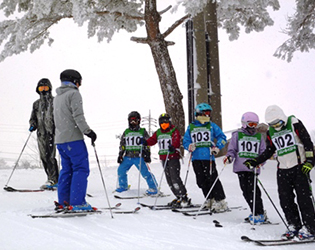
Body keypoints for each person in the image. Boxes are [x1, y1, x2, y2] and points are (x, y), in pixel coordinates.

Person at [244, 105, 315, 241]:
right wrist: (255, 161)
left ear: (282, 118)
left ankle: (310, 227)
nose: (276, 126)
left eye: (278, 123)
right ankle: (294, 225)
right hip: (283, 169)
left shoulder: (294, 123)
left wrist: (310, 161)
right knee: (285, 200)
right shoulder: (271, 131)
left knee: (304, 199)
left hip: (299, 167)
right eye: (272, 124)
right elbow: (270, 150)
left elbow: (307, 142)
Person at [53, 69, 97, 212]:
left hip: (60, 140)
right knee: (80, 168)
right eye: (80, 82)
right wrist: (88, 131)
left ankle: (64, 201)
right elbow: (78, 116)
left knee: (67, 169)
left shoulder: (57, 98)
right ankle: (78, 202)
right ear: (75, 81)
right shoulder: (74, 94)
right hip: (73, 139)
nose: (80, 85)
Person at [223, 112, 267, 224]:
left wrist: (260, 163)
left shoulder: (259, 137)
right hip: (241, 167)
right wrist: (229, 157)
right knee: (246, 191)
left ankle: (259, 213)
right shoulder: (237, 135)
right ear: (244, 124)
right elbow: (232, 149)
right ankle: (254, 212)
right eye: (251, 124)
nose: (253, 127)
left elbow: (263, 152)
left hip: (253, 168)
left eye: (255, 124)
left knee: (254, 191)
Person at [183, 103, 228, 212]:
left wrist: (217, 147)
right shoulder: (191, 127)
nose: (208, 115)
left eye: (209, 113)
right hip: (196, 157)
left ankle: (220, 200)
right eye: (205, 113)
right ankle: (209, 198)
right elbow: (186, 140)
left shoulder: (211, 126)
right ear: (198, 114)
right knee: (201, 180)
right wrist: (189, 146)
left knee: (212, 179)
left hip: (208, 157)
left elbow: (222, 137)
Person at [142, 113, 191, 208]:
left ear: (169, 122)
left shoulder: (173, 130)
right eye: (162, 122)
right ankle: (178, 196)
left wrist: (173, 146)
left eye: (166, 122)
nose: (164, 124)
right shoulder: (158, 132)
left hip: (173, 157)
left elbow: (176, 140)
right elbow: (152, 140)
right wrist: (145, 142)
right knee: (169, 179)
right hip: (164, 158)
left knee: (174, 177)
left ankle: (183, 196)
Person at [116, 111, 158, 195]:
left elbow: (147, 143)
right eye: (131, 121)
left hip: (139, 156)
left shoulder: (142, 131)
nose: (133, 123)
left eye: (135, 120)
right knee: (121, 170)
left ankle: (153, 187)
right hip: (128, 156)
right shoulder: (126, 132)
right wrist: (120, 154)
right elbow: (122, 144)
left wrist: (147, 154)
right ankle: (123, 186)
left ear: (139, 121)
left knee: (145, 173)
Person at [29, 78, 59, 190]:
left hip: (52, 132)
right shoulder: (36, 104)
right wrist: (33, 124)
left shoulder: (55, 101)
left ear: (50, 88)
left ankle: (54, 179)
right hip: (41, 134)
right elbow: (32, 118)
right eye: (41, 88)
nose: (43, 90)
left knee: (50, 156)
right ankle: (50, 178)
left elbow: (58, 116)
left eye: (45, 87)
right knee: (43, 157)